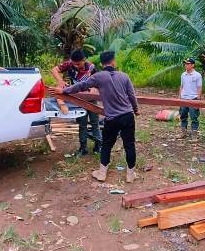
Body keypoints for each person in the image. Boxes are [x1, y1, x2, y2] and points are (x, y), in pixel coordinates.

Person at [56, 51, 140, 183]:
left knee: (107, 145)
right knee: (129, 145)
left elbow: (81, 86)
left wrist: (64, 91)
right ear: (114, 62)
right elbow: (131, 96)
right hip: (127, 116)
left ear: (101, 64)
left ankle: (102, 173)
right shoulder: (124, 76)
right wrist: (135, 109)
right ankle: (130, 175)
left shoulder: (98, 77)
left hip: (112, 118)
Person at [51, 49, 102, 155]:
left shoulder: (91, 68)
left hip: (91, 98)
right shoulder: (69, 64)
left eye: (78, 64)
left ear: (84, 60)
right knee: (82, 124)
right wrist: (60, 81)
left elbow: (98, 82)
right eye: (74, 64)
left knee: (94, 122)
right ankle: (83, 148)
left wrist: (95, 90)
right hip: (77, 99)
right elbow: (54, 70)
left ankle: (98, 147)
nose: (76, 66)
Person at [179, 58, 203, 138]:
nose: (186, 65)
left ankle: (194, 135)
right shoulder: (183, 75)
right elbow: (181, 86)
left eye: (188, 64)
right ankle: (184, 133)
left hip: (193, 98)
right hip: (184, 98)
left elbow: (199, 88)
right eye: (185, 63)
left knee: (194, 117)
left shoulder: (197, 75)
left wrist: (198, 100)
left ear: (193, 65)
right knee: (183, 116)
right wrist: (179, 98)